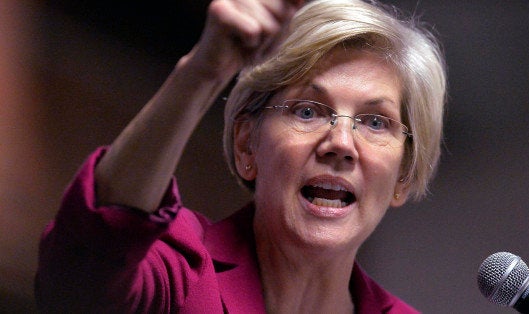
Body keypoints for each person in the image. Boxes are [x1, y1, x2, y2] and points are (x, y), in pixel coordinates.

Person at [36, 0, 446, 312]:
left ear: (404, 176)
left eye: (376, 122)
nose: (340, 142)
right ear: (247, 145)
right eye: (307, 111)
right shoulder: (182, 274)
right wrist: (205, 71)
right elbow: (82, 271)